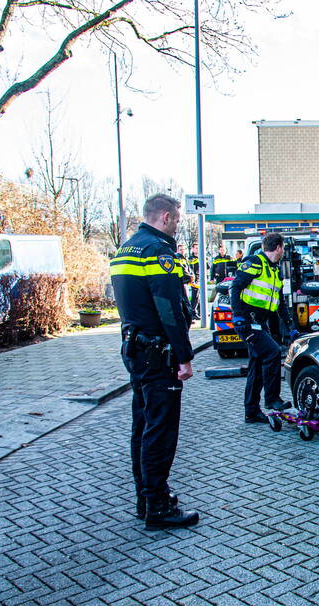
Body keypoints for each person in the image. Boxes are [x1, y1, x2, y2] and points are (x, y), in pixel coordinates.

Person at [110, 193, 200, 530]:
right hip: (158, 353)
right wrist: (184, 355)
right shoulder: (159, 252)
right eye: (177, 219)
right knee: (160, 431)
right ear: (164, 216)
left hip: (135, 350)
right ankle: (159, 507)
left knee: (143, 427)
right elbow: (168, 309)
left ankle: (145, 499)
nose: (177, 225)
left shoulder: (126, 248)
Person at [230, 233, 296, 422]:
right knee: (272, 352)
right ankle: (272, 399)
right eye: (283, 247)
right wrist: (238, 316)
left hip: (261, 322)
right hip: (248, 322)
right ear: (278, 248)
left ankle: (251, 411)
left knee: (257, 365)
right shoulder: (255, 262)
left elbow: (280, 302)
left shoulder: (275, 270)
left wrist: (290, 326)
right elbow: (235, 288)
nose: (283, 251)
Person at [187, 244, 201, 317]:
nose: (197, 249)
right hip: (194, 279)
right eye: (196, 248)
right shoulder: (190, 259)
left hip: (201, 279)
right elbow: (190, 270)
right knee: (195, 296)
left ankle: (199, 312)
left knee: (200, 297)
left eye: (198, 248)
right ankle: (193, 312)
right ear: (192, 249)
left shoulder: (202, 256)